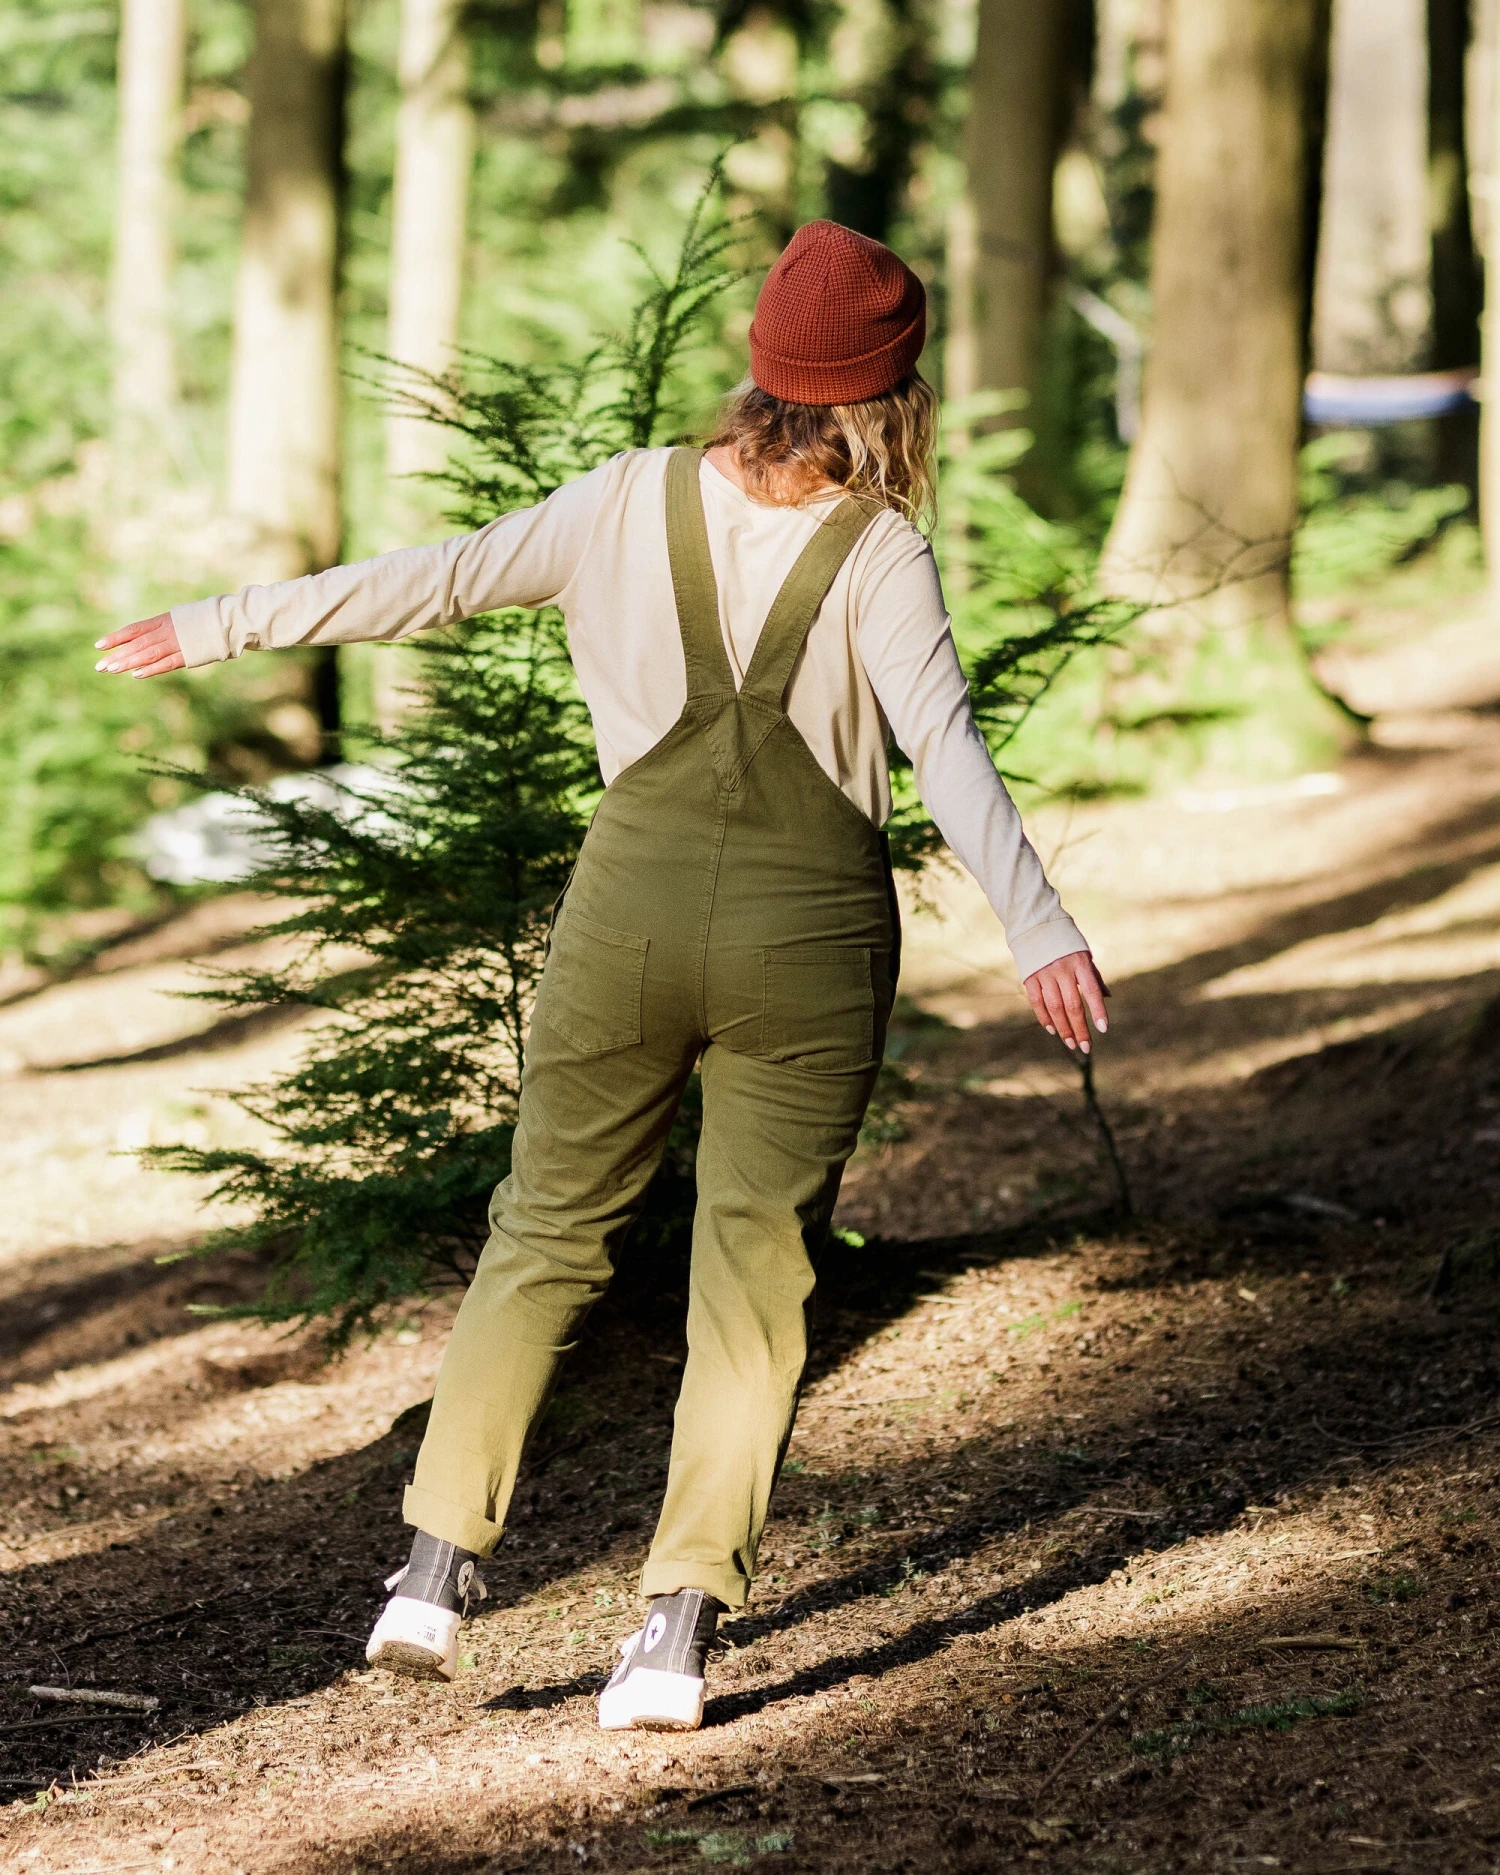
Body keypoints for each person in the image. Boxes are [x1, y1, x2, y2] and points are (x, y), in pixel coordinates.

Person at [98, 220, 1109, 1733]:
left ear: (763, 366)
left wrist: (215, 625)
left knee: (547, 1231)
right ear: (894, 391)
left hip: (624, 919)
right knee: (755, 1277)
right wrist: (1040, 929)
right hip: (809, 941)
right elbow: (946, 750)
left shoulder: (626, 497)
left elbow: (433, 581)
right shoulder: (883, 549)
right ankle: (675, 1632)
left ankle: (431, 1571)